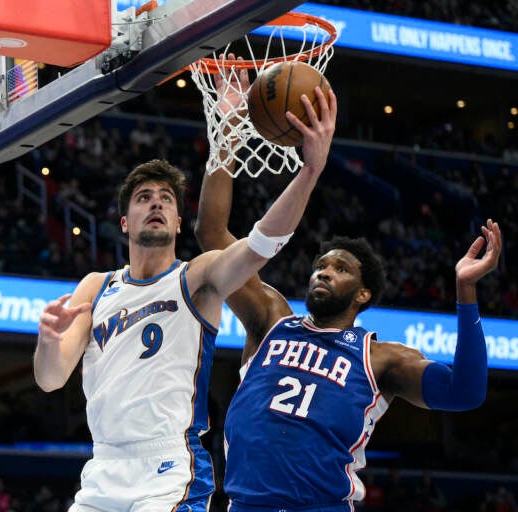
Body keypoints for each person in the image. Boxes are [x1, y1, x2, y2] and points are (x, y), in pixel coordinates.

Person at [34, 57, 338, 512]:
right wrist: (47, 341)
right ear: (124, 221)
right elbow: (51, 378)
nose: (155, 204)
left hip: (167, 470)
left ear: (178, 222)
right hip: (103, 470)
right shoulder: (95, 287)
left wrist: (309, 172)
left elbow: (260, 244)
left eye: (165, 199)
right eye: (143, 198)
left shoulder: (198, 278)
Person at [194, 162, 502, 511]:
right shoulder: (271, 319)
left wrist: (465, 290)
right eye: (320, 266)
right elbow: (211, 233)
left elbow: (466, 392)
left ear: (363, 294)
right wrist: (224, 147)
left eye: (340, 269)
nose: (323, 273)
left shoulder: (380, 358)